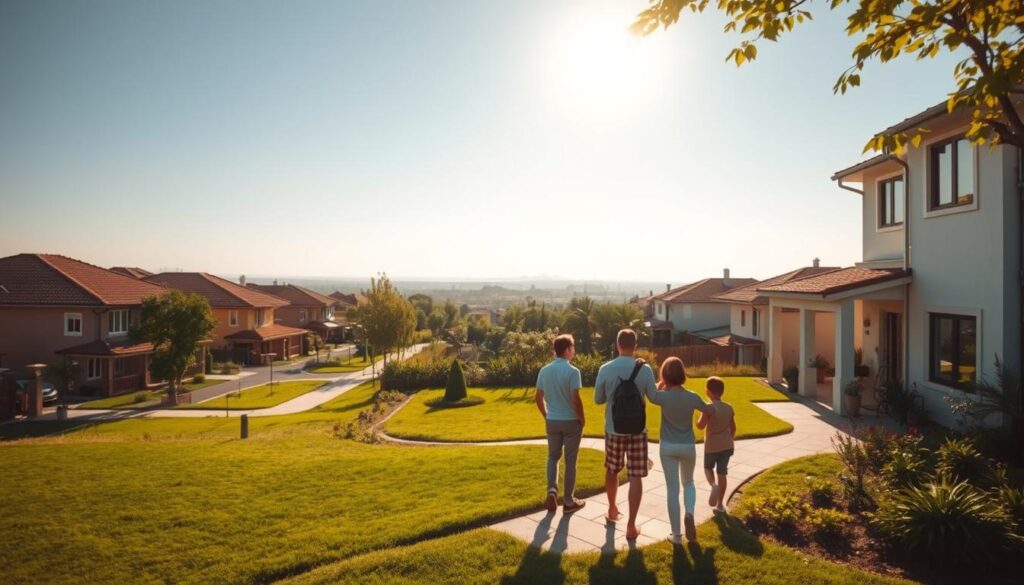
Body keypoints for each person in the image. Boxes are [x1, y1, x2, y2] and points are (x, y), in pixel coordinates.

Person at [594, 328, 656, 539]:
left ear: (617, 345)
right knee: (636, 475)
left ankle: (612, 509)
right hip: (638, 431)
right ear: (635, 346)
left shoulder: (605, 368)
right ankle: (631, 525)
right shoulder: (645, 369)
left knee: (612, 470)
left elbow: (598, 399)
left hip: (613, 429)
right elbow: (654, 397)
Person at [645, 357, 715, 543]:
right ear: (683, 374)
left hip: (667, 446)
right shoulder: (692, 396)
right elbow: (710, 410)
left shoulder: (662, 397)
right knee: (689, 482)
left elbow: (650, 393)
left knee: (672, 489)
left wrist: (661, 384)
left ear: (665, 375)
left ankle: (676, 535)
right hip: (687, 446)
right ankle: (690, 513)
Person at [535, 333, 587, 514]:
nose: (574, 351)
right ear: (567, 350)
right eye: (573, 348)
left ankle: (551, 490)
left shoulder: (544, 370)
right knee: (570, 461)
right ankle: (568, 501)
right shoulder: (573, 372)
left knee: (553, 457)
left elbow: (538, 397)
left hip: (552, 421)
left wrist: (546, 415)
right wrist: (582, 419)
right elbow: (575, 400)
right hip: (571, 422)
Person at [696, 376, 736, 514]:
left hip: (712, 445)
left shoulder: (708, 408)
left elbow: (700, 426)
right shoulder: (729, 408)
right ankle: (720, 505)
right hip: (727, 445)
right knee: (722, 473)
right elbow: (733, 428)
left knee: (708, 467)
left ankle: (713, 485)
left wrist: (698, 418)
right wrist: (729, 440)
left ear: (709, 391)